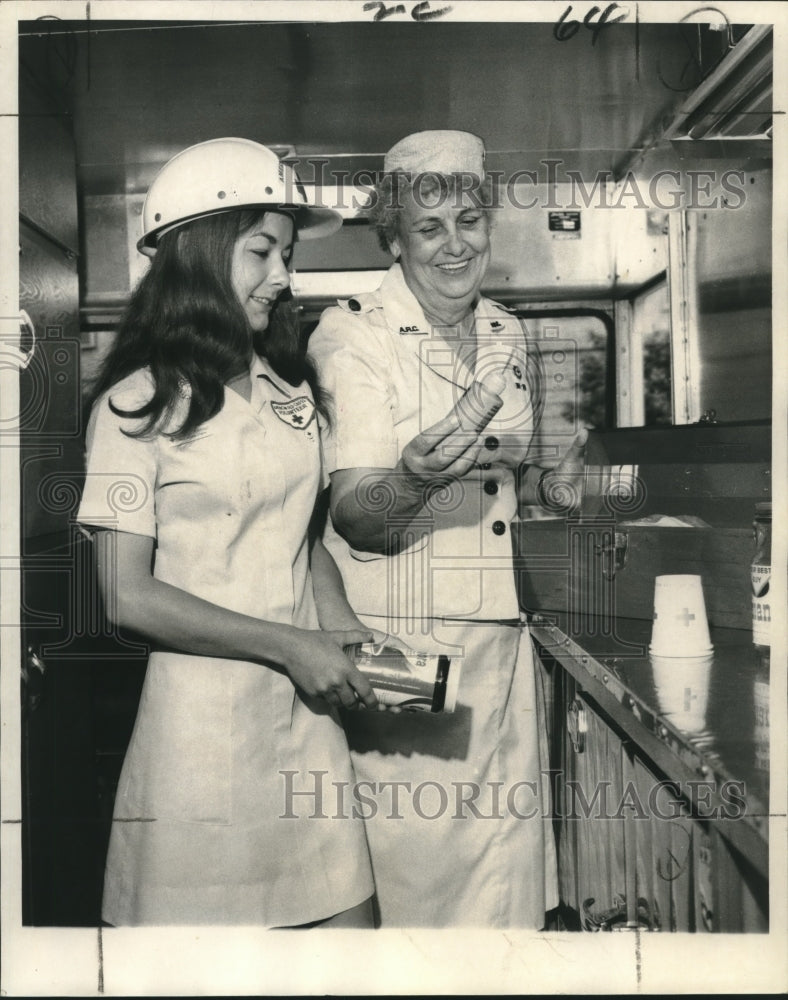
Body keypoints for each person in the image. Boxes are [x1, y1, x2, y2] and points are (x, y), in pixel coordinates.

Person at [77, 138, 379, 928]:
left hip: (307, 728)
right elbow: (124, 595)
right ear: (201, 255)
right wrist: (288, 644)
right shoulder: (130, 408)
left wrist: (335, 617)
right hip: (199, 747)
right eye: (261, 251)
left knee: (353, 953)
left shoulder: (289, 390)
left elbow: (300, 534)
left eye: (286, 253)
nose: (283, 277)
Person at [308, 130, 588, 927]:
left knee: (509, 890)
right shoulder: (351, 334)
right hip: (405, 652)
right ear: (394, 238)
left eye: (470, 220)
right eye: (430, 229)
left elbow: (504, 479)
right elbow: (354, 514)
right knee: (422, 890)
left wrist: (549, 487)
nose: (455, 244)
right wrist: (410, 480)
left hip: (504, 647)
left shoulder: (504, 330)